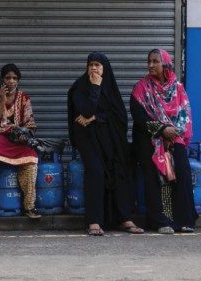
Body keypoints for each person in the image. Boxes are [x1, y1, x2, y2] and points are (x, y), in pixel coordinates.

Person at [67, 52, 144, 236]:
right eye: (91, 64)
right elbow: (84, 111)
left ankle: (124, 218)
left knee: (120, 168)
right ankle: (94, 221)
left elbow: (120, 117)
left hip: (111, 139)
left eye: (98, 65)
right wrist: (95, 88)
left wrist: (95, 117)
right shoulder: (79, 87)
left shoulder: (111, 88)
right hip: (88, 139)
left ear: (105, 68)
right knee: (96, 170)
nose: (94, 68)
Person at [130, 48, 198, 234]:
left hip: (175, 138)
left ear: (165, 64)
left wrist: (173, 133)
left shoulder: (177, 88)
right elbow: (139, 117)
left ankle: (184, 220)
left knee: (182, 171)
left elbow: (185, 114)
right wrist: (161, 130)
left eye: (155, 61)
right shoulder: (141, 89)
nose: (151, 65)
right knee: (154, 176)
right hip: (149, 140)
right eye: (149, 61)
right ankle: (160, 221)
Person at [0, 63, 41, 221]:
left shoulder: (24, 98)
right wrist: (2, 101)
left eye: (14, 78)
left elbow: (30, 125)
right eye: (8, 78)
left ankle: (29, 206)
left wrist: (24, 136)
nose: (11, 81)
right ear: (2, 79)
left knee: (31, 159)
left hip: (16, 139)